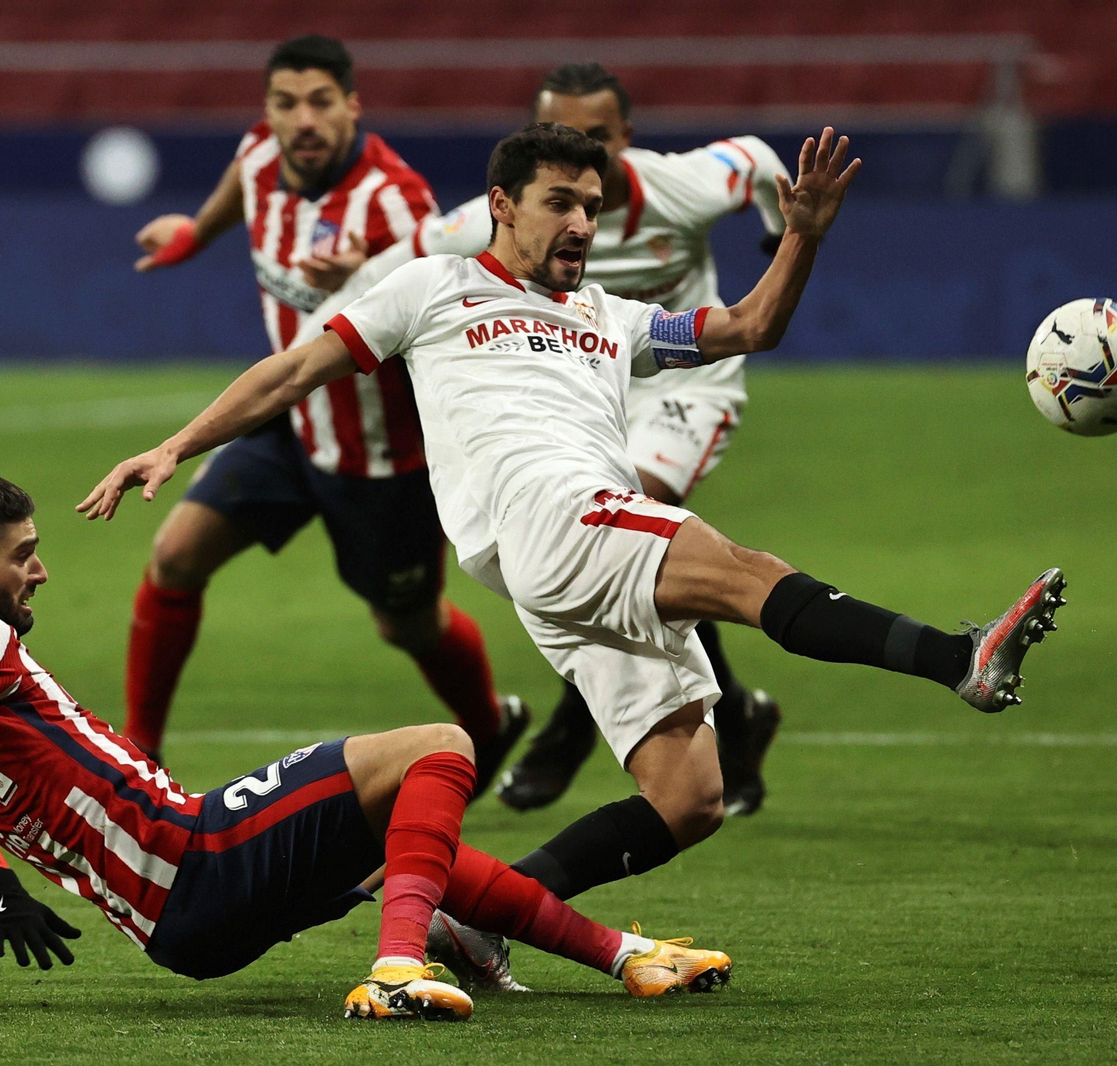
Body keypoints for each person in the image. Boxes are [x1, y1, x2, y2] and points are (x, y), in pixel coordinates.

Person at [79, 123, 1065, 922]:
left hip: (571, 552)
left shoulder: (609, 315)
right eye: (561, 202)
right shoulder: (437, 287)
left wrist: (801, 232)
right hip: (546, 517)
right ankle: (957, 659)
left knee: (689, 799)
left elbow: (749, 327)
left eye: (591, 205)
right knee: (738, 568)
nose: (582, 222)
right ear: (501, 206)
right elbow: (295, 370)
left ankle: (479, 914)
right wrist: (177, 445)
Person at [0, 470, 732, 1019]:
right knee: (437, 748)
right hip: (195, 857)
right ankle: (398, 967)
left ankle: (626, 958)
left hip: (177, 925)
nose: (41, 569)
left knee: (396, 827)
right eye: (24, 553)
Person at [299, 62, 791, 816]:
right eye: (566, 136)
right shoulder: (494, 220)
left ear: (625, 137)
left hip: (688, 386)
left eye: (598, 137)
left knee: (624, 524)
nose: (581, 155)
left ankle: (571, 729)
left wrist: (778, 229)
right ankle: (735, 717)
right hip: (590, 385)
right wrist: (346, 278)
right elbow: (413, 254)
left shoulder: (684, 186)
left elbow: (758, 160)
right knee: (616, 545)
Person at [121, 34, 526, 785]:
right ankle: (140, 754)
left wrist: (373, 273)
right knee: (175, 556)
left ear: (352, 106)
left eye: (319, 102)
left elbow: (445, 314)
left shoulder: (395, 201)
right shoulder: (258, 158)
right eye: (284, 103)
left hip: (382, 453)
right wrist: (191, 235)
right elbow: (235, 193)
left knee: (406, 623)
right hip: (291, 421)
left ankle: (494, 724)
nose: (301, 120)